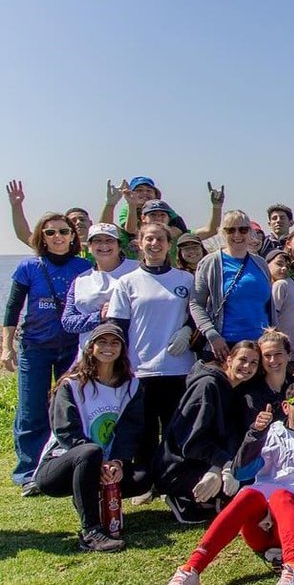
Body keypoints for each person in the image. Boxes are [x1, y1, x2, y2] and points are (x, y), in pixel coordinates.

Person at [167, 380, 294, 585]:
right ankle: (191, 569)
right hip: (260, 529)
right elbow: (241, 472)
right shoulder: (270, 431)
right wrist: (255, 433)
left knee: (282, 496)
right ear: (286, 407)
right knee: (248, 494)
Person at [34, 324, 149, 552]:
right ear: (91, 347)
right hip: (60, 464)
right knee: (90, 451)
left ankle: (95, 499)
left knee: (143, 478)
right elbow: (65, 430)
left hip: (104, 463)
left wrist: (117, 461)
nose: (108, 347)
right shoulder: (72, 385)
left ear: (122, 349)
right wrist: (100, 462)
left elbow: (130, 429)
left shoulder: (130, 386)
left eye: (114, 343)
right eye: (102, 342)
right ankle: (91, 531)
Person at [3, 212, 92, 493]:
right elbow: (13, 308)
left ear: (72, 236)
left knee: (68, 408)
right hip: (35, 348)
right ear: (41, 236)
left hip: (71, 348)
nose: (58, 237)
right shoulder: (29, 267)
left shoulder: (83, 267)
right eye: (51, 232)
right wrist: (6, 347)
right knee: (31, 410)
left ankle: (61, 465)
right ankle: (28, 471)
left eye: (64, 232)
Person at [107, 223, 197, 471]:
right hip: (141, 368)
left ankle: (173, 477)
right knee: (144, 430)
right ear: (139, 243)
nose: (154, 244)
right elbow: (117, 326)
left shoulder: (186, 279)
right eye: (149, 239)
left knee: (175, 427)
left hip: (178, 367)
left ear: (170, 245)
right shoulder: (127, 282)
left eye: (160, 239)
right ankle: (146, 480)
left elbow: (198, 315)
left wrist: (187, 329)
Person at [156, 341, 261, 524]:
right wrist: (222, 464)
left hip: (208, 463)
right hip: (179, 467)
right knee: (247, 487)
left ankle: (211, 502)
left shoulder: (236, 390)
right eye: (242, 359)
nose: (247, 366)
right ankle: (183, 498)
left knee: (253, 480)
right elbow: (190, 440)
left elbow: (231, 435)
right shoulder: (207, 386)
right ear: (229, 359)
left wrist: (219, 467)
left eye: (254, 363)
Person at [191, 210, 274, 361]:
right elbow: (196, 303)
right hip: (223, 346)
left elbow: (269, 306)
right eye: (231, 230)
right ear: (223, 233)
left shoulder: (260, 263)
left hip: (259, 344)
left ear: (250, 232)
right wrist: (212, 334)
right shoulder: (210, 262)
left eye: (243, 229)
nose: (237, 235)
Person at [61, 223, 140, 352]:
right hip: (91, 354)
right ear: (90, 247)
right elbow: (68, 322)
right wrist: (99, 317)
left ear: (119, 246)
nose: (104, 245)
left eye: (109, 240)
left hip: (132, 353)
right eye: (97, 241)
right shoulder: (80, 280)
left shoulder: (138, 270)